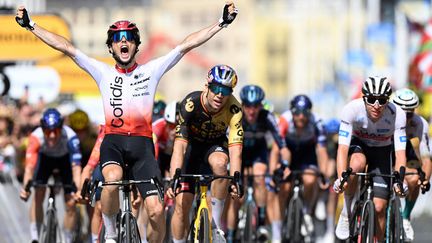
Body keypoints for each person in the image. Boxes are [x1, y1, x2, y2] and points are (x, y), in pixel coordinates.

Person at [16, 2, 238, 242]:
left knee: (155, 210)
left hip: (143, 146)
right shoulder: (103, 72)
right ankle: (110, 234)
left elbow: (186, 45)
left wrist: (221, 23)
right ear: (111, 47)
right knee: (111, 179)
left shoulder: (151, 71)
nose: (124, 42)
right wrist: (31, 25)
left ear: (136, 44)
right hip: (114, 142)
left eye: (129, 38)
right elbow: (66, 47)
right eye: (118, 39)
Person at [166, 64, 244, 243]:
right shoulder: (190, 104)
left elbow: (235, 148)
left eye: (225, 90)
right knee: (181, 206)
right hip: (191, 148)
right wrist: (174, 177)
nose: (220, 95)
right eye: (216, 88)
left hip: (214, 145)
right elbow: (179, 146)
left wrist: (236, 178)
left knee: (220, 165)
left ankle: (215, 226)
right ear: (207, 86)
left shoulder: (235, 109)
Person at [334, 76, 407, 242]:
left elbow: (400, 153)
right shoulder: (351, 110)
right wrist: (341, 178)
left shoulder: (398, 114)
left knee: (380, 208)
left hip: (382, 151)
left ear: (388, 100)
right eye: (372, 99)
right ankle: (347, 212)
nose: (376, 105)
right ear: (364, 98)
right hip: (359, 145)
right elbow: (342, 149)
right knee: (357, 163)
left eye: (382, 100)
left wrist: (399, 180)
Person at [225, 85, 289, 242]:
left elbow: (282, 145)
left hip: (258, 154)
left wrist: (285, 163)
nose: (251, 111)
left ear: (261, 105)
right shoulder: (235, 115)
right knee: (236, 197)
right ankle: (231, 235)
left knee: (260, 176)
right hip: (238, 153)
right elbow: (225, 142)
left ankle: (261, 221)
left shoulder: (267, 117)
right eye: (247, 106)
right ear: (242, 105)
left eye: (255, 106)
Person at [268, 94, 329, 242]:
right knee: (284, 189)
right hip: (287, 153)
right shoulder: (284, 120)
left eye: (305, 113)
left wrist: (324, 175)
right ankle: (277, 233)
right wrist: (273, 174)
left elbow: (321, 151)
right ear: (292, 112)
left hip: (307, 154)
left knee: (309, 180)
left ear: (310, 113)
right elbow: (276, 149)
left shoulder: (317, 122)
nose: (301, 117)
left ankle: (307, 211)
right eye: (297, 113)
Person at [19, 108, 82, 243]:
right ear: (42, 129)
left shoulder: (70, 136)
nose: (52, 135)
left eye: (56, 131)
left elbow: (76, 167)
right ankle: (35, 236)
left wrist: (78, 190)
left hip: (65, 161)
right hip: (45, 160)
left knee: (71, 202)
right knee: (38, 193)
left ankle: (67, 238)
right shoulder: (36, 136)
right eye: (48, 131)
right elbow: (29, 168)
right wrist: (25, 188)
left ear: (62, 127)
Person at [390, 88, 431, 242]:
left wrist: (425, 179)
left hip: (404, 150)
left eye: (410, 113)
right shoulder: (386, 119)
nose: (406, 118)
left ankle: (406, 217)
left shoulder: (420, 124)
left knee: (415, 178)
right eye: (402, 112)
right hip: (385, 148)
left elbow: (426, 158)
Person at [152, 101, 178, 176]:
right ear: (165, 122)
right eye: (171, 125)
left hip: (171, 156)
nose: (174, 131)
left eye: (177, 126)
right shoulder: (158, 125)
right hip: (159, 155)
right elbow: (153, 151)